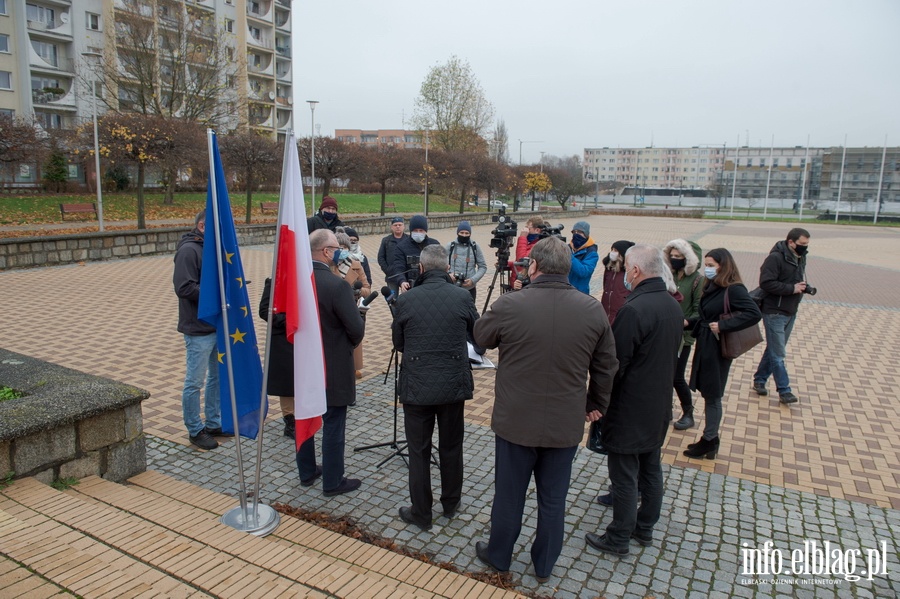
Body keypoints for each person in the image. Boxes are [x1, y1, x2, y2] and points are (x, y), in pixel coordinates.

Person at [472, 237, 618, 584]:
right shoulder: (592, 308)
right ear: (568, 268)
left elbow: (481, 336)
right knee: (553, 499)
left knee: (509, 494)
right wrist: (597, 402)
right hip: (564, 422)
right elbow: (606, 364)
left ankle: (499, 554)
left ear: (533, 266)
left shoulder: (512, 304)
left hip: (515, 420)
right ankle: (544, 564)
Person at [585, 245, 684, 557]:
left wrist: (597, 401)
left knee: (625, 476)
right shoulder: (671, 305)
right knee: (651, 470)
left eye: (626, 267)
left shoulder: (634, 309)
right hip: (657, 405)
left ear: (637, 270)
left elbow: (615, 364)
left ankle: (619, 537)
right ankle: (645, 528)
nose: (624, 273)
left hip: (630, 409)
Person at [392, 245, 479, 531]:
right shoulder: (463, 297)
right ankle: (451, 502)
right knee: (451, 447)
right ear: (446, 269)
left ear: (421, 269)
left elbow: (399, 343)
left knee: (419, 452)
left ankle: (421, 513)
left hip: (417, 386)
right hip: (453, 385)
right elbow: (476, 336)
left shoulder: (406, 300)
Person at [297, 229, 366, 496]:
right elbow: (356, 329)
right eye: (336, 247)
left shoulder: (297, 281)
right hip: (333, 365)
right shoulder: (337, 285)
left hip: (303, 363)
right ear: (326, 252)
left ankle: (306, 471)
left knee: (306, 416)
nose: (340, 252)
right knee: (333, 423)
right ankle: (333, 481)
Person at [684, 248, 762, 459]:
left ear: (723, 266)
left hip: (718, 347)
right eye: (706, 265)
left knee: (713, 394)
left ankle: (710, 439)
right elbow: (705, 317)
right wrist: (687, 323)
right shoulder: (713, 286)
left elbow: (754, 314)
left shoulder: (734, 289)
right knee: (708, 392)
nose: (707, 270)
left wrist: (724, 325)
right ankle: (709, 438)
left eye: (711, 266)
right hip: (706, 344)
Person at [173, 209, 222, 450]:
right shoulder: (189, 250)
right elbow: (184, 287)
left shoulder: (209, 248)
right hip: (198, 328)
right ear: (202, 227)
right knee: (195, 381)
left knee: (216, 376)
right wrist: (217, 295)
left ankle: (214, 422)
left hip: (216, 325)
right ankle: (194, 428)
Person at [752, 228, 811, 405]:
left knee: (774, 349)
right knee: (778, 353)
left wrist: (802, 287)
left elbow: (793, 279)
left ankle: (760, 379)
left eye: (807, 245)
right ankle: (784, 390)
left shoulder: (800, 257)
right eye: (802, 245)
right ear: (790, 242)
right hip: (774, 312)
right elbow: (766, 283)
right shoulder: (775, 258)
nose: (805, 248)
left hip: (790, 310)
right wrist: (792, 289)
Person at [663, 239, 703, 430]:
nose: (674, 259)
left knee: (677, 376)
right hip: (665, 332)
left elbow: (699, 311)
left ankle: (688, 412)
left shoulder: (697, 280)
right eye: (672, 256)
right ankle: (665, 409)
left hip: (683, 336)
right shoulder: (668, 275)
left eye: (679, 256)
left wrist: (684, 322)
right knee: (663, 374)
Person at [259, 278, 296, 439]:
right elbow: (264, 311)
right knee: (286, 382)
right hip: (283, 338)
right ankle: (290, 422)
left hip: (305, 338)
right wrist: (289, 320)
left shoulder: (307, 279)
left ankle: (305, 416)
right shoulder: (273, 282)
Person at [333, 229, 370, 379]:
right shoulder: (329, 266)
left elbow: (368, 289)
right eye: (339, 247)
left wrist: (358, 292)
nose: (342, 250)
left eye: (345, 247)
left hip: (352, 308)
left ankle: (354, 367)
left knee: (353, 337)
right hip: (333, 310)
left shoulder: (356, 265)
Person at [390, 214, 439, 292]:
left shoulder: (434, 245)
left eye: (421, 230)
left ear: (425, 231)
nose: (418, 233)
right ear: (411, 231)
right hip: (411, 288)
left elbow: (439, 266)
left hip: (432, 286)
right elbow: (398, 267)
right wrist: (402, 281)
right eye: (415, 231)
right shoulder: (401, 246)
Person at [445, 220, 487, 300]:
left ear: (470, 234)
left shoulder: (475, 246)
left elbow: (483, 267)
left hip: (469, 289)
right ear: (457, 233)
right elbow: (442, 266)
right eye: (462, 233)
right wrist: (449, 275)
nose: (464, 235)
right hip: (451, 287)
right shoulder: (450, 246)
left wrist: (473, 280)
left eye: (467, 233)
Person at [600, 240, 635, 325]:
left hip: (620, 312)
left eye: (615, 250)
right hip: (606, 310)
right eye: (612, 250)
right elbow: (605, 286)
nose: (612, 253)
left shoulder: (628, 271)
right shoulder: (609, 268)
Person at [510, 216, 545, 290]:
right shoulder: (531, 242)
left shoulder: (538, 245)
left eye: (528, 228)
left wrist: (522, 237)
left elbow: (522, 261)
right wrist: (509, 264)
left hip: (525, 285)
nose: (526, 231)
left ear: (537, 230)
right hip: (519, 284)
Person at [377, 217, 409, 295]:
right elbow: (381, 257)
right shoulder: (386, 240)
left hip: (405, 276)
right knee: (392, 300)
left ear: (404, 226)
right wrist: (387, 270)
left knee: (407, 299)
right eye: (395, 225)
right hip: (392, 276)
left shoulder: (409, 240)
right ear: (391, 227)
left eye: (400, 225)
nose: (398, 227)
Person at [568, 220, 599, 294]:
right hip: (564, 291)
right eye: (574, 232)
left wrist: (569, 256)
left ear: (586, 234)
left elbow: (584, 272)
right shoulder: (568, 248)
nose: (576, 234)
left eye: (579, 232)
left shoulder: (592, 253)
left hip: (580, 293)